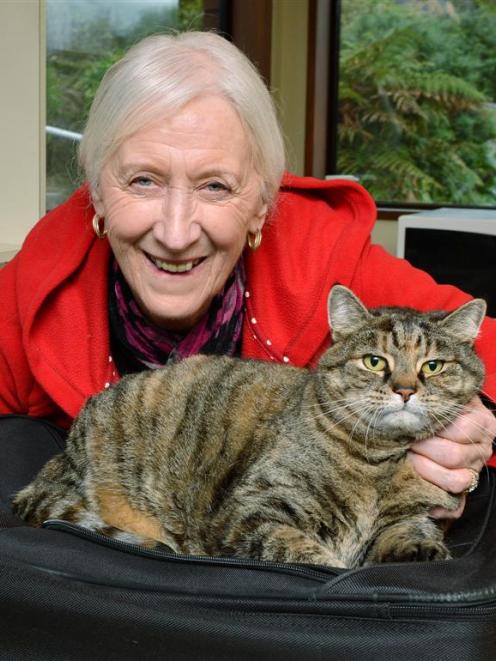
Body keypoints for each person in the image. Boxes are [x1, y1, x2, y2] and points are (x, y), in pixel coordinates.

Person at [0, 31, 495, 523]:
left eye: (215, 186)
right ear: (98, 194)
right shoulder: (39, 283)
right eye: (143, 181)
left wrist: (472, 432)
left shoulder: (324, 255)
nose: (175, 233)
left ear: (262, 204)